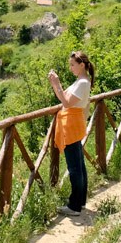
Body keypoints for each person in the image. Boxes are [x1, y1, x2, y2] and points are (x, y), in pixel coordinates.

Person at [48, 50, 95, 217]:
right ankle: (79, 202)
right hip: (72, 124)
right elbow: (64, 98)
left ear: (82, 65)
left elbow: (66, 102)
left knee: (75, 167)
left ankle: (75, 206)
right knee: (79, 165)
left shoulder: (82, 83)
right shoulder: (80, 81)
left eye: (72, 65)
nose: (70, 68)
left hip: (72, 125)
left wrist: (57, 83)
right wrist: (55, 84)